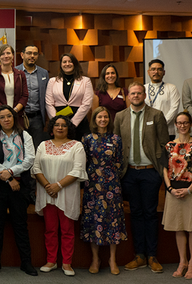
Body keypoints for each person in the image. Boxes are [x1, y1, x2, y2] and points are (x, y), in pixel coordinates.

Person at [115, 83, 169, 273]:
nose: (136, 96)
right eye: (132, 93)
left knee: (150, 213)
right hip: (129, 172)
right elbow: (116, 143)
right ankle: (139, 256)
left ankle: (152, 256)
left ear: (144, 95)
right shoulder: (120, 116)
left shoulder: (156, 115)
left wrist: (160, 171)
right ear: (128, 96)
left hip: (150, 172)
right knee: (136, 213)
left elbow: (164, 145)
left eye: (139, 93)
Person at [0, 105, 37, 276]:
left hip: (19, 186)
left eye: (9, 116)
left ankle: (26, 263)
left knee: (20, 225)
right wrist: (9, 179)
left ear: (14, 117)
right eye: (2, 117)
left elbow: (29, 159)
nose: (6, 119)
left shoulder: (25, 135)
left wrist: (12, 173)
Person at [32, 115, 88, 276]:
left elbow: (78, 170)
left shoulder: (77, 146)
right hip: (47, 193)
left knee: (67, 231)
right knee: (50, 230)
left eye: (64, 125)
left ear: (68, 128)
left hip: (66, 193)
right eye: (57, 125)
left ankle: (67, 263)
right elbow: (36, 168)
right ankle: (51, 261)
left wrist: (58, 186)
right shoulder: (43, 145)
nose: (60, 128)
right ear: (52, 128)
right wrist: (48, 187)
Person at [162, 112, 192, 280]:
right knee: (179, 227)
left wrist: (190, 189)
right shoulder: (169, 145)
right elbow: (164, 169)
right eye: (179, 123)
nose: (182, 125)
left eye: (185, 123)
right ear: (175, 124)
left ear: (190, 124)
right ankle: (182, 262)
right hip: (174, 192)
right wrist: (169, 189)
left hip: (191, 192)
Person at [79, 107, 126, 275]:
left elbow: (120, 161)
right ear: (94, 119)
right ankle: (95, 258)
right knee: (93, 219)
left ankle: (112, 259)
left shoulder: (116, 139)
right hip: (92, 184)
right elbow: (83, 163)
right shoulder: (87, 139)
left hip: (112, 183)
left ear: (109, 119)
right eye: (99, 117)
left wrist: (112, 177)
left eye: (105, 117)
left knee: (112, 219)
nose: (103, 119)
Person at [46, 53, 93, 140]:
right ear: (61, 64)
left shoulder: (86, 81)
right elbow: (49, 103)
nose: (67, 64)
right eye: (64, 62)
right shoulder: (52, 81)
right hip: (58, 122)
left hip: (79, 122)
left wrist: (73, 123)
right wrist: (57, 123)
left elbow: (87, 104)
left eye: (70, 61)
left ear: (75, 64)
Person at [16, 45, 50, 147]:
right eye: (29, 53)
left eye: (35, 54)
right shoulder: (15, 72)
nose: (32, 56)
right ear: (22, 55)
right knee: (20, 146)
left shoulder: (43, 73)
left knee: (37, 148)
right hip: (20, 116)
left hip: (37, 118)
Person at [0, 45, 27, 127]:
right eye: (2, 54)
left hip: (17, 116)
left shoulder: (20, 74)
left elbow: (25, 95)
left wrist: (14, 111)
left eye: (8, 53)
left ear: (13, 56)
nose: (6, 56)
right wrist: (5, 113)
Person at [144, 59, 181, 139]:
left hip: (167, 130)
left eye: (159, 69)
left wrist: (161, 123)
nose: (156, 72)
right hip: (147, 130)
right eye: (153, 69)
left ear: (164, 72)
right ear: (148, 72)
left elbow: (174, 109)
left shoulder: (171, 88)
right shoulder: (143, 88)